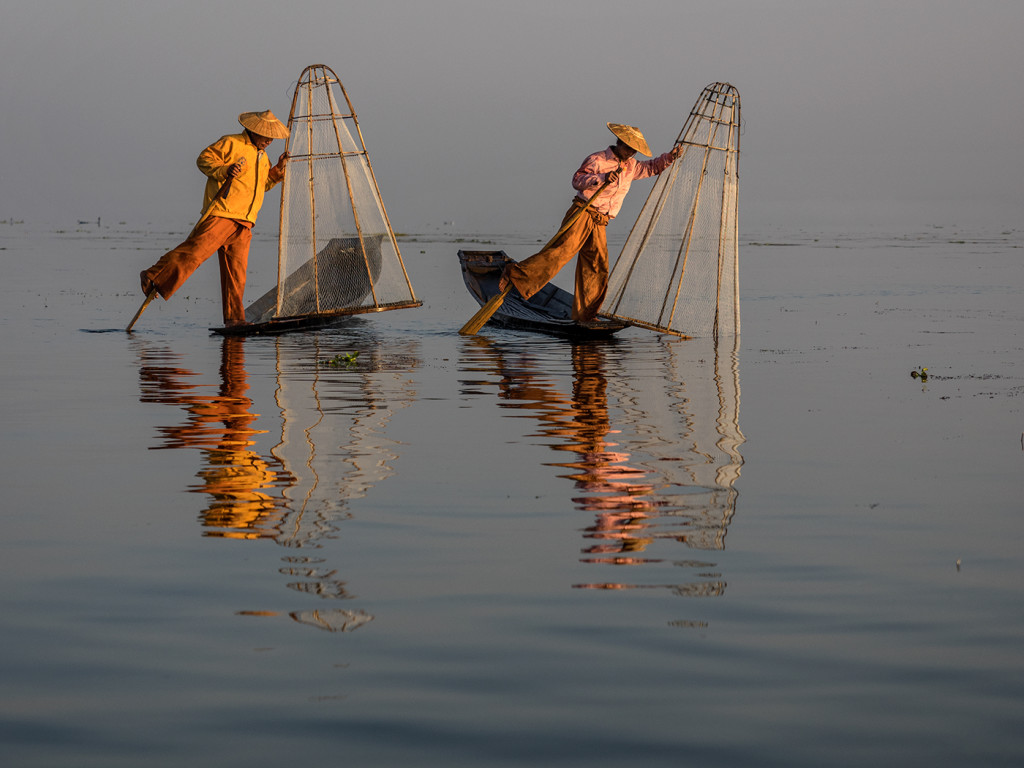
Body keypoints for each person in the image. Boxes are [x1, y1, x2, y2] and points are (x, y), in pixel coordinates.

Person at [501, 123, 683, 323]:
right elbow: (577, 180)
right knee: (560, 252)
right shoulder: (598, 160)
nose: (631, 153)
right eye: (628, 148)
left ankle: (586, 315)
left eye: (634, 150)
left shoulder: (630, 166)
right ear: (619, 142)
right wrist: (601, 178)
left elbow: (651, 168)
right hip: (583, 212)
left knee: (596, 266)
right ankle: (515, 276)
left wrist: (670, 157)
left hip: (600, 221)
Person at [139, 110, 290, 326]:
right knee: (195, 253)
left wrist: (277, 171)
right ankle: (153, 275)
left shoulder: (263, 157)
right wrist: (226, 169)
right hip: (222, 212)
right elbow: (204, 160)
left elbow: (261, 186)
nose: (269, 141)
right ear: (254, 131)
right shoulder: (231, 143)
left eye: (271, 138)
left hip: (245, 221)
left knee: (236, 275)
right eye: (265, 136)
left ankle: (234, 320)